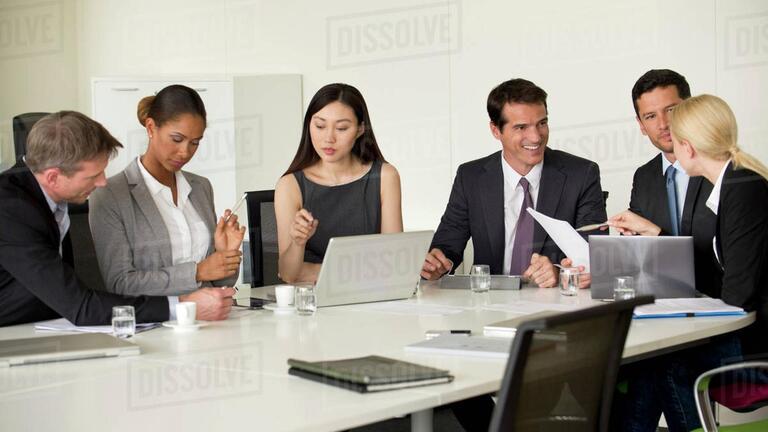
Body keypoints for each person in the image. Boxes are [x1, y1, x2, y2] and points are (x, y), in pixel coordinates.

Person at [610, 94, 768, 431]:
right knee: (650, 364)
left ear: (688, 148)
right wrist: (656, 233)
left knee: (665, 364)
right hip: (747, 335)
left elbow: (738, 295)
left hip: (757, 347)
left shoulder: (743, 189)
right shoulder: (737, 182)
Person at [0, 111, 234, 327]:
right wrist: (183, 306)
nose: (102, 182)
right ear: (53, 177)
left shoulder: (47, 195)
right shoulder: (12, 210)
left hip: (35, 329)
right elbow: (80, 306)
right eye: (93, 175)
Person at [422, 78, 607, 288]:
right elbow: (447, 244)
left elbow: (596, 256)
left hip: (553, 303)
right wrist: (438, 263)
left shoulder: (581, 174)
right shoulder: (471, 177)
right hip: (489, 302)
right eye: (521, 127)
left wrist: (559, 271)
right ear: (495, 130)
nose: (536, 137)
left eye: (542, 123)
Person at [89, 84, 245, 296]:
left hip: (211, 316)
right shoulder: (111, 195)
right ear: (151, 128)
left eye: (195, 143)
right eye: (177, 139)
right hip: (155, 322)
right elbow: (120, 283)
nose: (185, 152)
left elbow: (217, 282)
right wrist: (197, 272)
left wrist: (225, 254)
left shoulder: (200, 188)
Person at [274, 83, 403, 283]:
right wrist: (298, 243)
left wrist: (315, 271)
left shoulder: (386, 176)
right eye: (320, 126)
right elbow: (290, 274)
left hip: (372, 299)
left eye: (342, 128)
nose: (328, 138)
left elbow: (395, 265)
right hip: (312, 305)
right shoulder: (289, 185)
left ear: (360, 129)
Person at [627, 69, 721, 294]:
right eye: (650, 116)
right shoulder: (644, 177)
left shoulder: (719, 169)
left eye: (672, 110)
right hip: (664, 305)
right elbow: (639, 255)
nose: (663, 124)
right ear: (641, 124)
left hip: (724, 304)